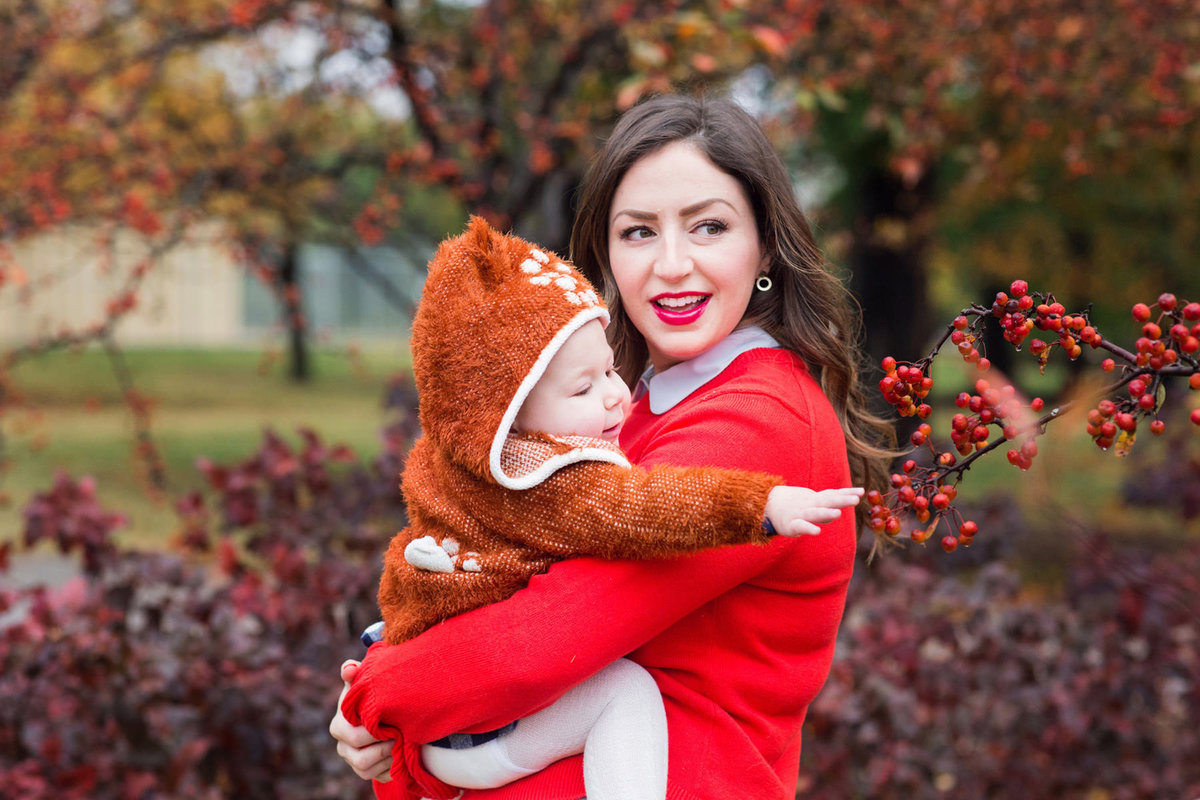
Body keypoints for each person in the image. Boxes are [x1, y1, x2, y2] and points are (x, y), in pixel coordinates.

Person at [331, 93, 895, 800]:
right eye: (638, 233)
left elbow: (541, 637)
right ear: (605, 254)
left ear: (767, 248)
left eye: (709, 227)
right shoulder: (623, 407)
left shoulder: (760, 422)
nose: (671, 264)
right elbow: (503, 581)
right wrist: (405, 724)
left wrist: (381, 695)